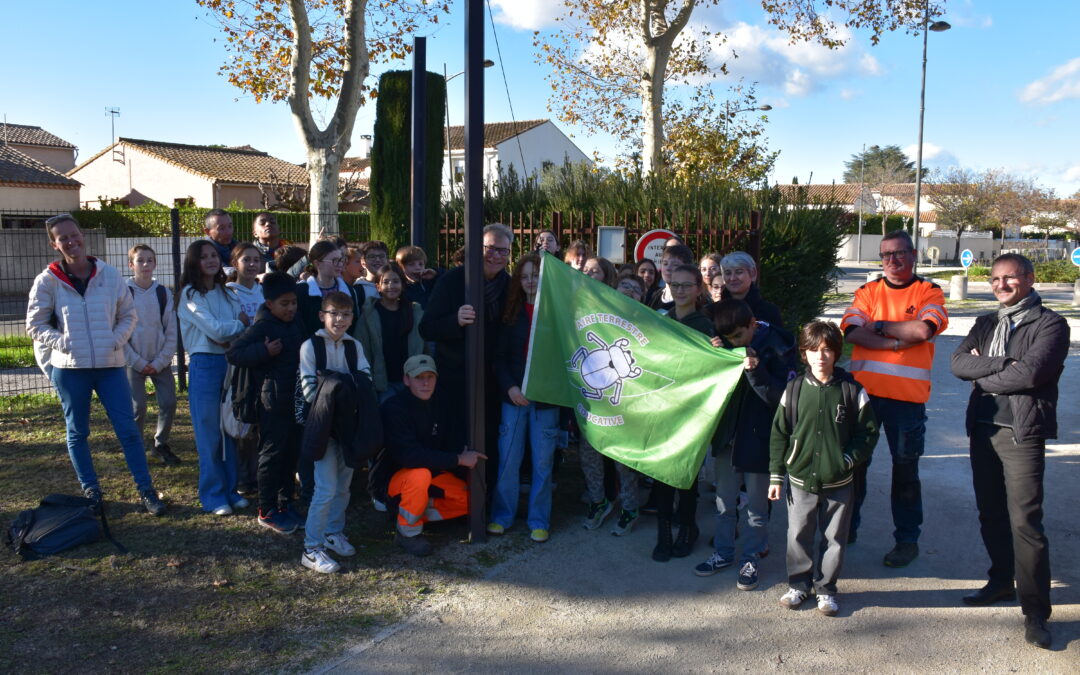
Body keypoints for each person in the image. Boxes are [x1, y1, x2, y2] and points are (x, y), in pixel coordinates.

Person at [949, 253, 1068, 650]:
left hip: (1021, 433)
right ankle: (1001, 581)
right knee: (991, 514)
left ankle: (1036, 612)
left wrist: (986, 374)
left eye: (1010, 278)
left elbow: (1033, 373)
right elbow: (958, 364)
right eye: (995, 279)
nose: (1001, 285)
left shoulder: (1050, 324)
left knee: (1026, 523)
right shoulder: (985, 323)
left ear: (1030, 279)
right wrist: (1002, 364)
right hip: (982, 430)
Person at [26, 214, 167, 516]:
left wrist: (114, 340)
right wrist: (63, 343)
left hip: (109, 366)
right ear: (54, 244)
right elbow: (35, 325)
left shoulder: (109, 275)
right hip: (70, 370)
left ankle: (146, 490)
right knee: (77, 432)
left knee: (128, 430)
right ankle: (91, 491)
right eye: (63, 238)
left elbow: (128, 315)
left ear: (82, 235)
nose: (71, 242)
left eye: (74, 235)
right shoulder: (47, 280)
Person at [840, 230, 948, 568]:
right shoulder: (867, 291)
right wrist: (896, 342)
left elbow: (924, 330)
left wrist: (880, 325)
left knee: (905, 473)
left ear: (913, 255)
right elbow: (851, 331)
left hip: (906, 402)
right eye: (886, 254)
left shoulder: (929, 291)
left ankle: (906, 541)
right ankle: (847, 530)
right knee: (854, 468)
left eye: (899, 253)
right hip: (864, 399)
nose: (892, 260)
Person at [769, 321, 879, 616]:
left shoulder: (852, 390)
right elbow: (779, 432)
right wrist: (777, 474)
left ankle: (827, 589)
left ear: (837, 353)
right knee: (798, 534)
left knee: (835, 539)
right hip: (800, 479)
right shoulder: (792, 390)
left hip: (839, 482)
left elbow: (868, 434)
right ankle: (799, 585)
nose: (821, 356)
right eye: (813, 350)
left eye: (828, 350)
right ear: (803, 354)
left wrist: (848, 460)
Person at [695, 298, 796, 591]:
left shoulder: (780, 346)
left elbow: (782, 400)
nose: (734, 343)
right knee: (724, 503)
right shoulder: (727, 343)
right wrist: (714, 353)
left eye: (738, 336)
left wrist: (756, 371)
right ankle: (724, 554)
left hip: (761, 441)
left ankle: (750, 559)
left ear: (753, 324)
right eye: (729, 339)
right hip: (729, 438)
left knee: (756, 508)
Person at [419, 222, 514, 489]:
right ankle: (458, 501)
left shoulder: (509, 286)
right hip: (455, 379)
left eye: (502, 251)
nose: (496, 256)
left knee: (491, 440)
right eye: (490, 248)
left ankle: (486, 500)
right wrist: (455, 321)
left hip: (494, 381)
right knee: (457, 439)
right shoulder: (452, 280)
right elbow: (426, 327)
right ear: (477, 249)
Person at [376, 355, 486, 556]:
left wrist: (461, 453)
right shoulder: (393, 408)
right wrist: (458, 459)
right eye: (419, 377)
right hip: (398, 481)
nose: (426, 383)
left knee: (473, 499)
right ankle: (407, 533)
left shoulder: (442, 403)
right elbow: (409, 457)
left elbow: (451, 441)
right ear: (406, 380)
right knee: (419, 474)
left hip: (434, 473)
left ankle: (414, 513)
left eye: (430, 377)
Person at [227, 272, 308, 532]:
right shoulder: (261, 327)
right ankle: (267, 509)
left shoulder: (295, 323)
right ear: (269, 303)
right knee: (272, 454)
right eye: (284, 304)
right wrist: (264, 351)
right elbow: (234, 353)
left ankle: (286, 503)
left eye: (293, 302)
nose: (291, 308)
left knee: (290, 453)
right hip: (271, 402)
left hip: (295, 399)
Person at [298, 291, 372, 573]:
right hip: (323, 427)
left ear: (352, 317)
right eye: (334, 313)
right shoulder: (310, 346)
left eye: (346, 314)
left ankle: (333, 532)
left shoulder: (354, 346)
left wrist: (331, 382)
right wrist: (345, 385)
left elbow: (365, 381)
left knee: (343, 486)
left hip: (349, 427)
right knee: (325, 488)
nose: (339, 320)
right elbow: (309, 392)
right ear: (322, 315)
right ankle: (311, 546)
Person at [488, 254, 560, 543]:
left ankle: (539, 520)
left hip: (546, 403)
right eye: (525, 276)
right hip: (514, 400)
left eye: (536, 275)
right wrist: (510, 388)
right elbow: (499, 359)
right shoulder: (511, 312)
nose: (531, 281)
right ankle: (502, 516)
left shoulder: (556, 314)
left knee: (543, 464)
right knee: (508, 460)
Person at [178, 239, 249, 514]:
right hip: (204, 365)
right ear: (193, 262)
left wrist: (230, 332)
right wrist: (234, 328)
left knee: (229, 428)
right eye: (203, 256)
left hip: (230, 363)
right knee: (209, 432)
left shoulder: (227, 292)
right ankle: (213, 495)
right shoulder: (190, 295)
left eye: (213, 256)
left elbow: (233, 330)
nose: (210, 260)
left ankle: (231, 490)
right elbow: (219, 331)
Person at [652, 264, 714, 561]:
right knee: (662, 472)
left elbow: (713, 365)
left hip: (691, 411)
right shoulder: (660, 318)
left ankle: (688, 528)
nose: (679, 290)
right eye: (674, 285)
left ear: (698, 289)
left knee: (686, 475)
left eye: (686, 285)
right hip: (662, 406)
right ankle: (663, 531)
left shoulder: (705, 325)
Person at [125, 244, 179, 466]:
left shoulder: (163, 293)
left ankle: (160, 444)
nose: (145, 264)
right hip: (132, 361)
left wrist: (160, 361)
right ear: (131, 265)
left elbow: (171, 329)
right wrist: (136, 361)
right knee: (137, 408)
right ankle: (135, 449)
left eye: (150, 260)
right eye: (140, 260)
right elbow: (118, 332)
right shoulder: (124, 292)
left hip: (159, 361)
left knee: (169, 402)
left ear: (155, 264)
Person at [227, 242, 266, 495]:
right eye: (246, 260)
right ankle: (242, 477)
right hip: (240, 365)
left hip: (263, 361)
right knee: (241, 421)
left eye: (255, 259)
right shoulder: (229, 292)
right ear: (235, 264)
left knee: (260, 422)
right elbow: (233, 328)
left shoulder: (263, 292)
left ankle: (257, 474)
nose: (252, 264)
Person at [358, 262, 425, 402]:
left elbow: (425, 346)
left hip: (411, 380)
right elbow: (362, 349)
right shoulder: (369, 314)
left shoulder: (415, 311)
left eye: (396, 281)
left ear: (403, 284)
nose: (391, 286)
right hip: (383, 383)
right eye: (386, 282)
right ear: (378, 287)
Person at [295, 240, 363, 340]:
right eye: (335, 260)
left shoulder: (349, 291)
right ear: (317, 263)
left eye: (341, 260)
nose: (340, 264)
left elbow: (354, 324)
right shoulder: (301, 291)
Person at [719, 251, 784, 330]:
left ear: (753, 273)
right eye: (728, 273)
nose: (732, 278)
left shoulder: (769, 312)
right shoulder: (713, 311)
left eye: (739, 272)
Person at [650, 244, 695, 312]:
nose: (668, 268)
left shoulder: (691, 299)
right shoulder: (655, 295)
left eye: (675, 265)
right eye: (665, 264)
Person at [395, 245, 441, 309]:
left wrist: (436, 274)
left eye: (421, 264)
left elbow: (449, 278)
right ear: (401, 267)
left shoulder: (431, 281)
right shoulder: (403, 288)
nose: (418, 268)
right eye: (411, 264)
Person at [203, 209, 238, 274]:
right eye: (222, 228)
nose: (228, 232)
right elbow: (222, 271)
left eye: (230, 226)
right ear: (208, 232)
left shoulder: (237, 246)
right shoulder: (203, 252)